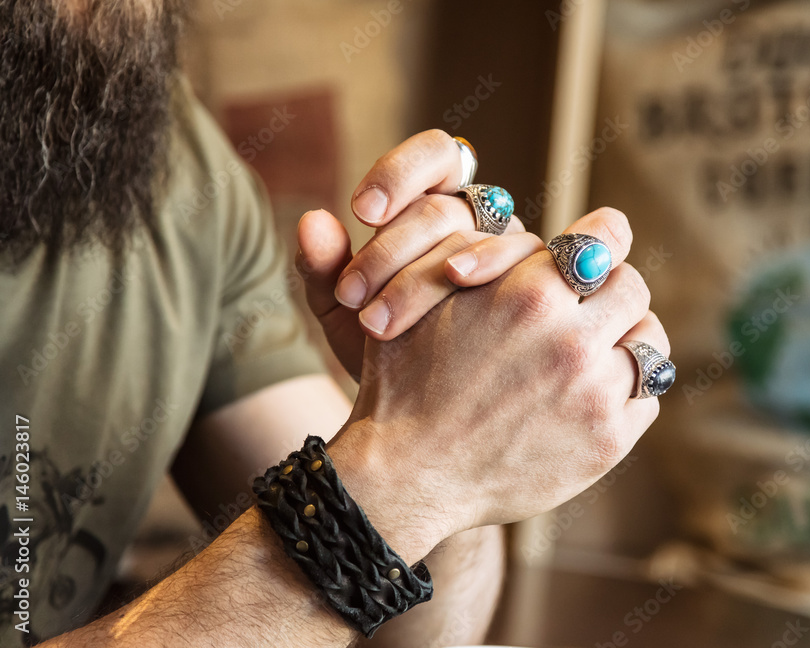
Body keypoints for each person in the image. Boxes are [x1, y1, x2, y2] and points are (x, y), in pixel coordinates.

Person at [0, 1, 671, 645]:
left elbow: (420, 638)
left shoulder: (161, 156)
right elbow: (387, 497)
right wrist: (409, 474)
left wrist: (446, 423)